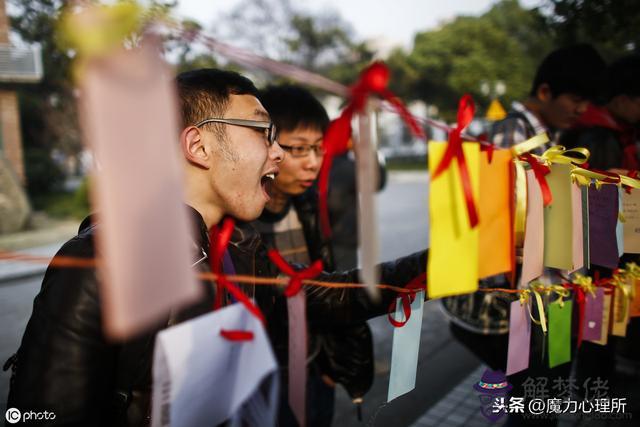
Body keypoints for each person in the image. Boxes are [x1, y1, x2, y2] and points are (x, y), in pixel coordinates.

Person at [6, 68, 427, 426]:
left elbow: (323, 297)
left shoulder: (241, 247)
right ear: (199, 146)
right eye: (265, 132)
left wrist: (439, 265)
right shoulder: (101, 264)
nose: (278, 153)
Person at [441, 44, 606, 426]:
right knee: (538, 399)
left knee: (546, 395)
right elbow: (499, 225)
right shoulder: (511, 135)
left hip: (556, 295)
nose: (582, 109)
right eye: (576, 99)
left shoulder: (548, 137)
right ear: (545, 91)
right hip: (528, 305)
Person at [254, 84, 373, 426]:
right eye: (300, 149)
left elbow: (328, 289)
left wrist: (330, 362)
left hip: (313, 364)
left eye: (319, 149)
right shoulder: (239, 224)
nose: (313, 163)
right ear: (266, 146)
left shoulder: (309, 208)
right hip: (262, 375)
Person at [560, 53, 640, 409]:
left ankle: (592, 390)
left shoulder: (615, 131)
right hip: (600, 255)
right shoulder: (600, 135)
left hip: (605, 251)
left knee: (601, 330)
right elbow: (604, 205)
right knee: (598, 331)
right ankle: (591, 397)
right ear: (622, 98)